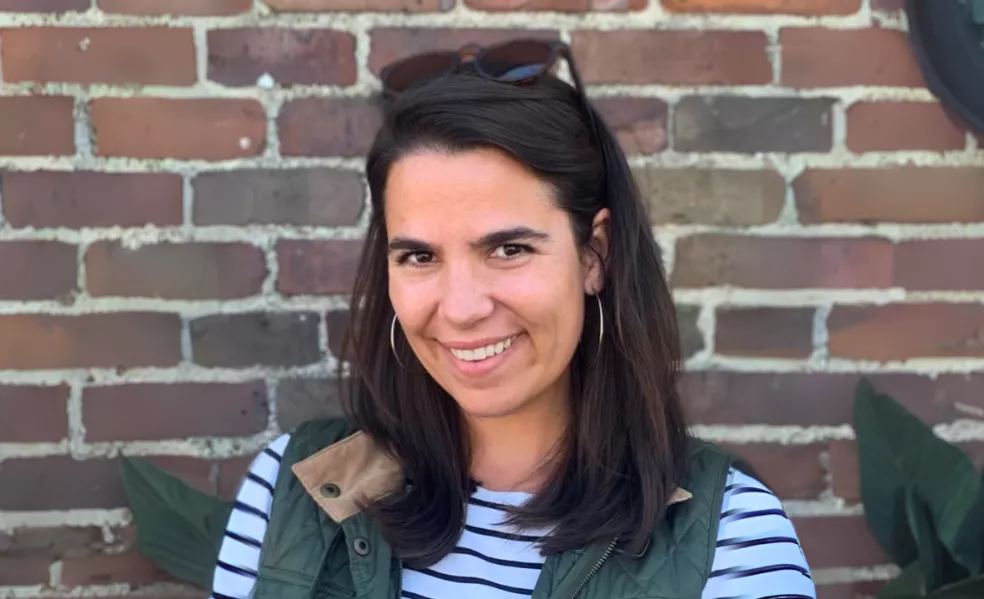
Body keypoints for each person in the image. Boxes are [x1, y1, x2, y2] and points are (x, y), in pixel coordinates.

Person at [207, 39, 816, 599]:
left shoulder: (729, 534)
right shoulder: (296, 488)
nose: (463, 307)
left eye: (509, 249)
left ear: (593, 255)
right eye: (420, 256)